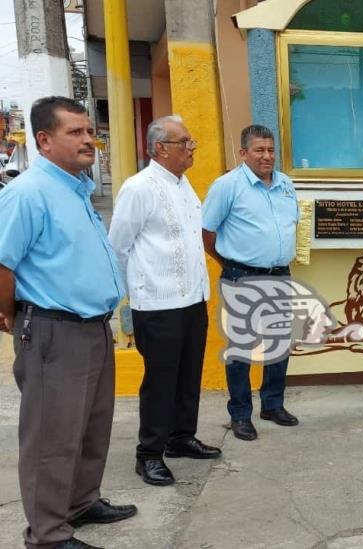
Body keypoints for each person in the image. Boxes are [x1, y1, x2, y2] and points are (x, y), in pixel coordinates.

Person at [0, 96, 136, 549]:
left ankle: (81, 502)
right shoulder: (28, 192)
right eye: (74, 132)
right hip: (53, 330)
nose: (88, 140)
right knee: (51, 436)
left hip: (92, 327)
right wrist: (8, 311)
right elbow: (2, 263)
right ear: (43, 140)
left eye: (88, 131)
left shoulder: (75, 188)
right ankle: (48, 534)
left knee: (92, 425)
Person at [109, 115, 221, 487]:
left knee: (189, 373)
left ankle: (180, 437)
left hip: (192, 298)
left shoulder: (183, 184)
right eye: (185, 142)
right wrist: (128, 294)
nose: (191, 148)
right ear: (161, 148)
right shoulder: (139, 188)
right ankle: (150, 454)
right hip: (156, 303)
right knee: (160, 380)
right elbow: (118, 247)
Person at [202, 124, 299, 442]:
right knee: (242, 351)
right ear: (243, 153)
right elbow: (207, 231)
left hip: (280, 275)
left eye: (271, 150)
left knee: (279, 346)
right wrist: (228, 264)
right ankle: (240, 414)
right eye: (259, 150)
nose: (267, 156)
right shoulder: (227, 185)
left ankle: (272, 405)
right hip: (241, 276)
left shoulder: (285, 184)